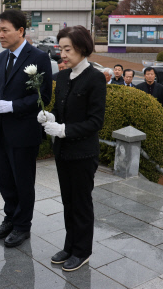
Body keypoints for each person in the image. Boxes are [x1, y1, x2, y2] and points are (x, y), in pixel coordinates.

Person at [37, 25, 106, 272]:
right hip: (63, 152)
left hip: (83, 153)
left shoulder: (95, 78)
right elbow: (62, 110)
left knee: (81, 202)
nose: (62, 55)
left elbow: (95, 121)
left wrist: (64, 130)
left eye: (67, 49)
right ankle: (69, 245)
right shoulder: (63, 76)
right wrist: (50, 116)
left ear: (81, 47)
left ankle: (82, 250)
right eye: (61, 49)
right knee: (68, 201)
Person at [0, 9, 52, 248]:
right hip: (2, 131)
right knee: (5, 180)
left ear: (20, 31)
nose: (0, 35)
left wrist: (12, 106)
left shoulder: (39, 58)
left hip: (24, 133)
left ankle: (23, 226)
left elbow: (44, 97)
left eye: (5, 30)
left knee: (23, 182)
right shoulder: (2, 57)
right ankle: (10, 218)